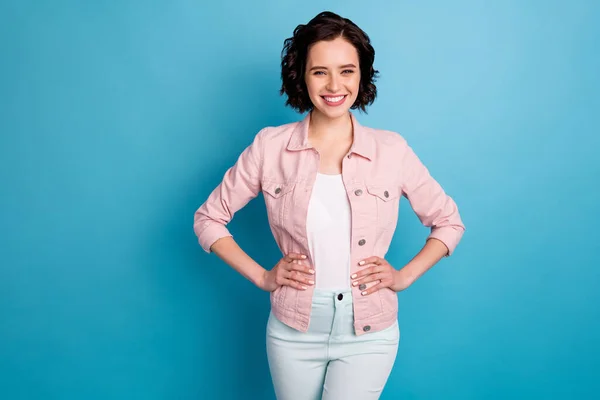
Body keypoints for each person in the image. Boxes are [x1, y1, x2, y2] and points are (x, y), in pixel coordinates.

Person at [193, 11, 465, 400]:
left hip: (369, 331)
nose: (335, 85)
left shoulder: (391, 150)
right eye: (320, 71)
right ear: (301, 76)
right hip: (292, 329)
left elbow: (449, 222)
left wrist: (403, 277)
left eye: (347, 71)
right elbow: (208, 219)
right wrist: (262, 277)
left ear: (362, 75)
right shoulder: (271, 147)